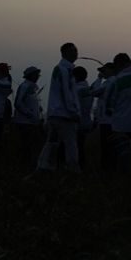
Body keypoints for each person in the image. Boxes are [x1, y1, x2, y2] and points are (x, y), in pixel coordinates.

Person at [38, 43, 82, 173]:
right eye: (73, 51)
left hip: (55, 113)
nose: (76, 54)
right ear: (65, 53)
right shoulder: (64, 70)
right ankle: (73, 170)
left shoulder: (61, 69)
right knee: (70, 144)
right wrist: (73, 112)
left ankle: (44, 167)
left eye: (76, 50)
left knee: (52, 142)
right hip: (64, 115)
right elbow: (66, 93)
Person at [13, 66, 43, 167]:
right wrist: (29, 114)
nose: (38, 76)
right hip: (24, 123)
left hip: (32, 123)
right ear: (31, 75)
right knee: (26, 146)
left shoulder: (33, 88)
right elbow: (18, 103)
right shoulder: (25, 86)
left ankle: (28, 165)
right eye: (36, 74)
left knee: (32, 146)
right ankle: (23, 165)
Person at [90, 63, 117, 173]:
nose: (102, 72)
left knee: (106, 147)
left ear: (111, 70)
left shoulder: (109, 82)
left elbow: (94, 92)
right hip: (112, 120)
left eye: (104, 70)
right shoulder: (115, 81)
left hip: (107, 121)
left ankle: (107, 171)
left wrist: (99, 79)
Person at [74, 66, 94, 168]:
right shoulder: (89, 90)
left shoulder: (75, 90)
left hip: (77, 123)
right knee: (82, 146)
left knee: (76, 147)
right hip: (87, 122)